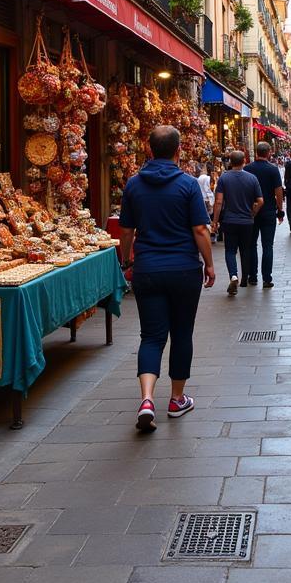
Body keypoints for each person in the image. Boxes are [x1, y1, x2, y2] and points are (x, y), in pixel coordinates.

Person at [118, 125, 215, 432]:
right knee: (182, 332)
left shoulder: (133, 185)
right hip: (184, 269)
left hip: (147, 268)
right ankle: (176, 399)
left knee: (151, 336)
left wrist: (125, 259)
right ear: (178, 150)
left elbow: (126, 230)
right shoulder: (187, 185)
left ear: (149, 149)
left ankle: (146, 400)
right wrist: (210, 265)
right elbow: (200, 229)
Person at [212, 149, 263, 295]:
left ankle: (233, 275)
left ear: (230, 162)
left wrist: (215, 221)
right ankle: (244, 279)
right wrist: (252, 213)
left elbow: (219, 201)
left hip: (229, 220)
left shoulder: (224, 178)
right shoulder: (252, 178)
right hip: (247, 221)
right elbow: (260, 201)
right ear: (244, 161)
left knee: (230, 250)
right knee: (245, 250)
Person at [246, 140, 285, 289]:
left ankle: (252, 276)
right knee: (267, 246)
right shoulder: (273, 169)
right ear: (268, 152)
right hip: (268, 211)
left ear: (256, 152)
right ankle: (267, 278)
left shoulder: (248, 169)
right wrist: (280, 209)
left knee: (251, 245)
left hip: (252, 212)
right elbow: (278, 191)